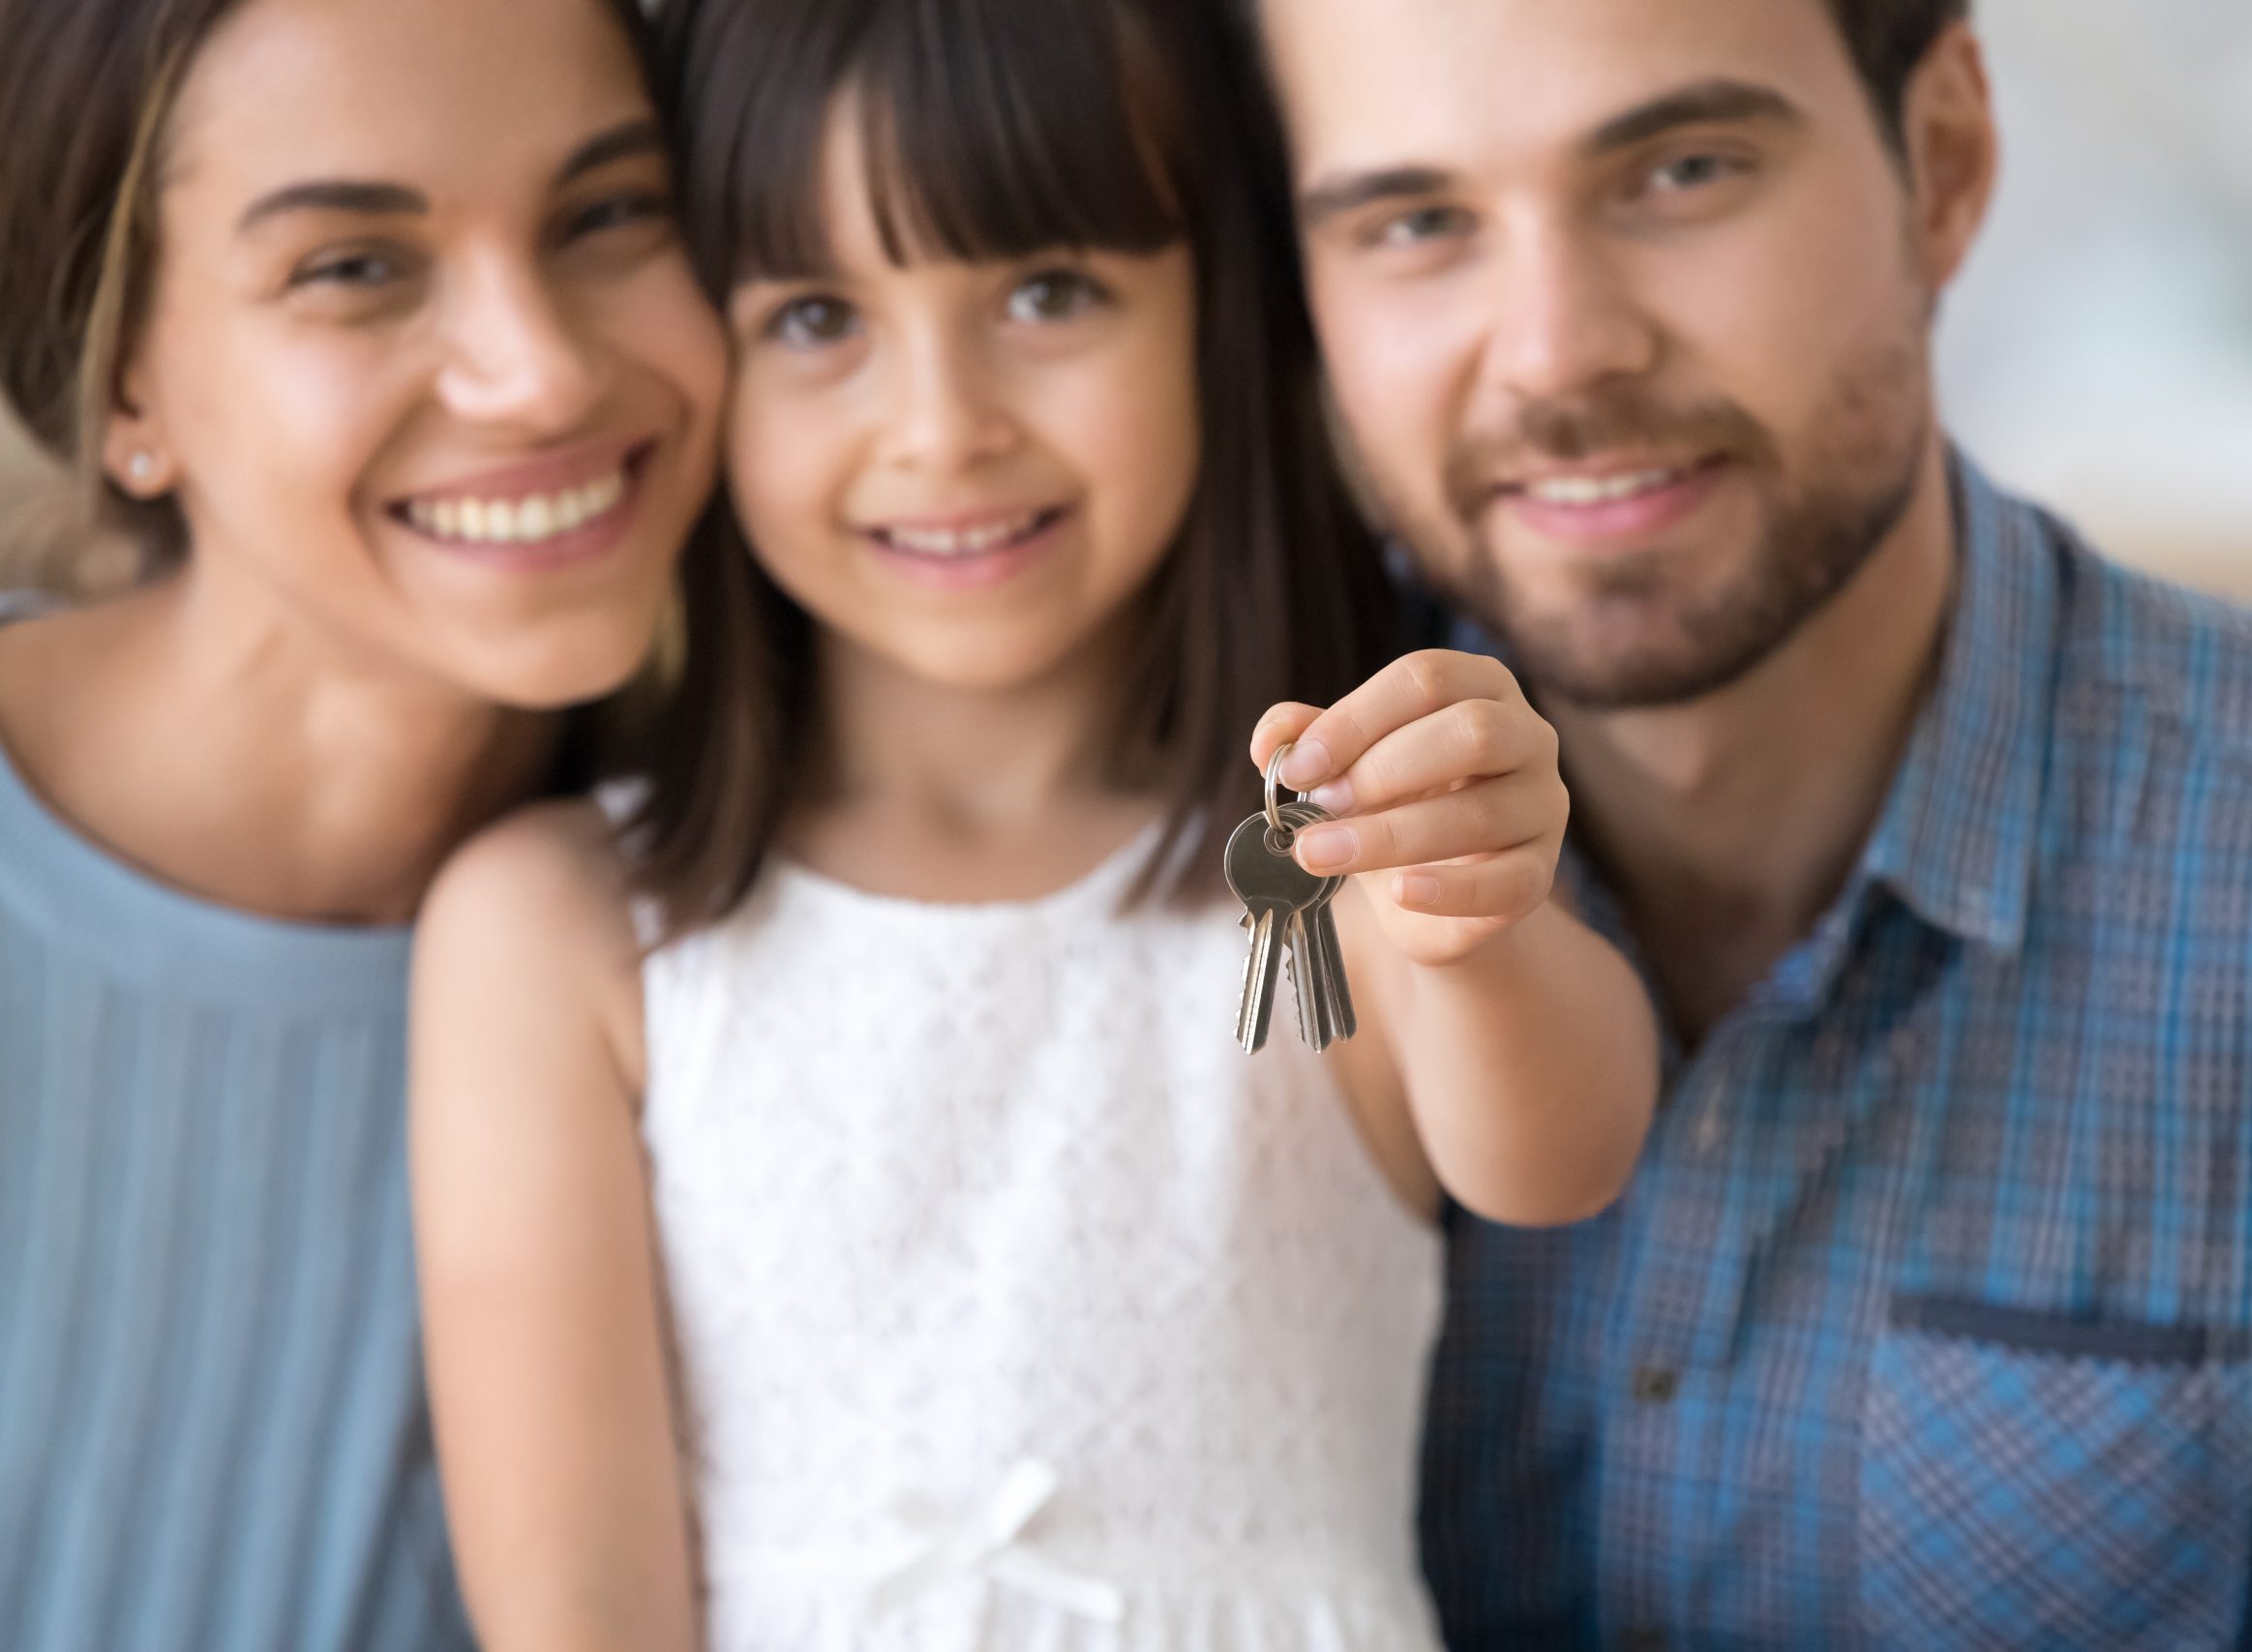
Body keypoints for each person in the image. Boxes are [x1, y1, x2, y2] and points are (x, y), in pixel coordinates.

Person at [405, 0, 1659, 1646]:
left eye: (1048, 292)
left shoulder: (1320, 860)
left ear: (1220, 310)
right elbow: (579, 1602)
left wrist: (1478, 912)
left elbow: (1560, 1158)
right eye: (816, 318)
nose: (944, 426)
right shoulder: (563, 929)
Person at [1229, 0, 2252, 1644]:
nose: (1556, 351)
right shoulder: (1160, 835)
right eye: (1414, 222)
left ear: (1942, 161)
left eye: (1682, 170)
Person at [0, 1, 725, 1647]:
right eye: (354, 267)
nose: (541, 370)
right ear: (120, 386)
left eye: (610, 213)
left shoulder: (761, 929)